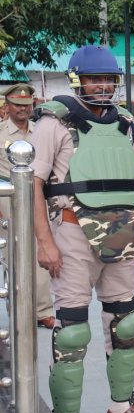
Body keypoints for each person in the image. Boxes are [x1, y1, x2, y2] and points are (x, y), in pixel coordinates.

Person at [30, 44, 134, 413]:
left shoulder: (125, 122)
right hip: (72, 232)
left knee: (125, 324)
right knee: (71, 330)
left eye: (108, 79)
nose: (103, 86)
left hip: (124, 231)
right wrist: (44, 241)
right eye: (95, 79)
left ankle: (121, 408)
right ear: (78, 80)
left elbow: (133, 179)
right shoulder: (55, 121)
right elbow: (34, 184)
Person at [0, 83, 55, 328]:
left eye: (27, 105)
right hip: (7, 198)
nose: (23, 109)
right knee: (12, 257)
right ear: (7, 105)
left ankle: (43, 310)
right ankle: (18, 312)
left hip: (37, 196)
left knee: (41, 250)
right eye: (17, 105)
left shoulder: (40, 131)